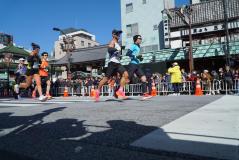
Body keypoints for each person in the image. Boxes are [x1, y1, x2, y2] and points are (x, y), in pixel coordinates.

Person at [94, 29, 129, 101]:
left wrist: (119, 53)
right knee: (106, 79)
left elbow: (116, 53)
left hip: (118, 63)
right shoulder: (112, 41)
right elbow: (109, 49)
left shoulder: (118, 43)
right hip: (112, 63)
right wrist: (115, 50)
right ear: (113, 35)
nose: (119, 35)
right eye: (117, 34)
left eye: (119, 34)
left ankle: (120, 91)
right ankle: (97, 91)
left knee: (126, 75)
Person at [126, 35, 152, 100]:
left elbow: (136, 55)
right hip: (132, 65)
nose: (140, 39)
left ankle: (145, 94)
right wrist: (135, 57)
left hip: (137, 65)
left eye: (141, 38)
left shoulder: (138, 46)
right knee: (127, 80)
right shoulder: (133, 46)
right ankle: (117, 90)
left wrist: (140, 58)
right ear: (136, 39)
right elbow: (128, 53)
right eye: (139, 38)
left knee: (144, 78)